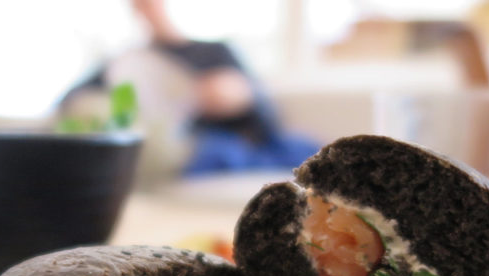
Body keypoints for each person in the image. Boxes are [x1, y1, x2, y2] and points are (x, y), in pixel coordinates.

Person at [58, 0, 319, 178]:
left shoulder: (213, 52)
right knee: (217, 152)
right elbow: (71, 101)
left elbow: (266, 116)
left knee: (300, 145)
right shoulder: (125, 65)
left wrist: (241, 96)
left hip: (239, 141)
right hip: (189, 147)